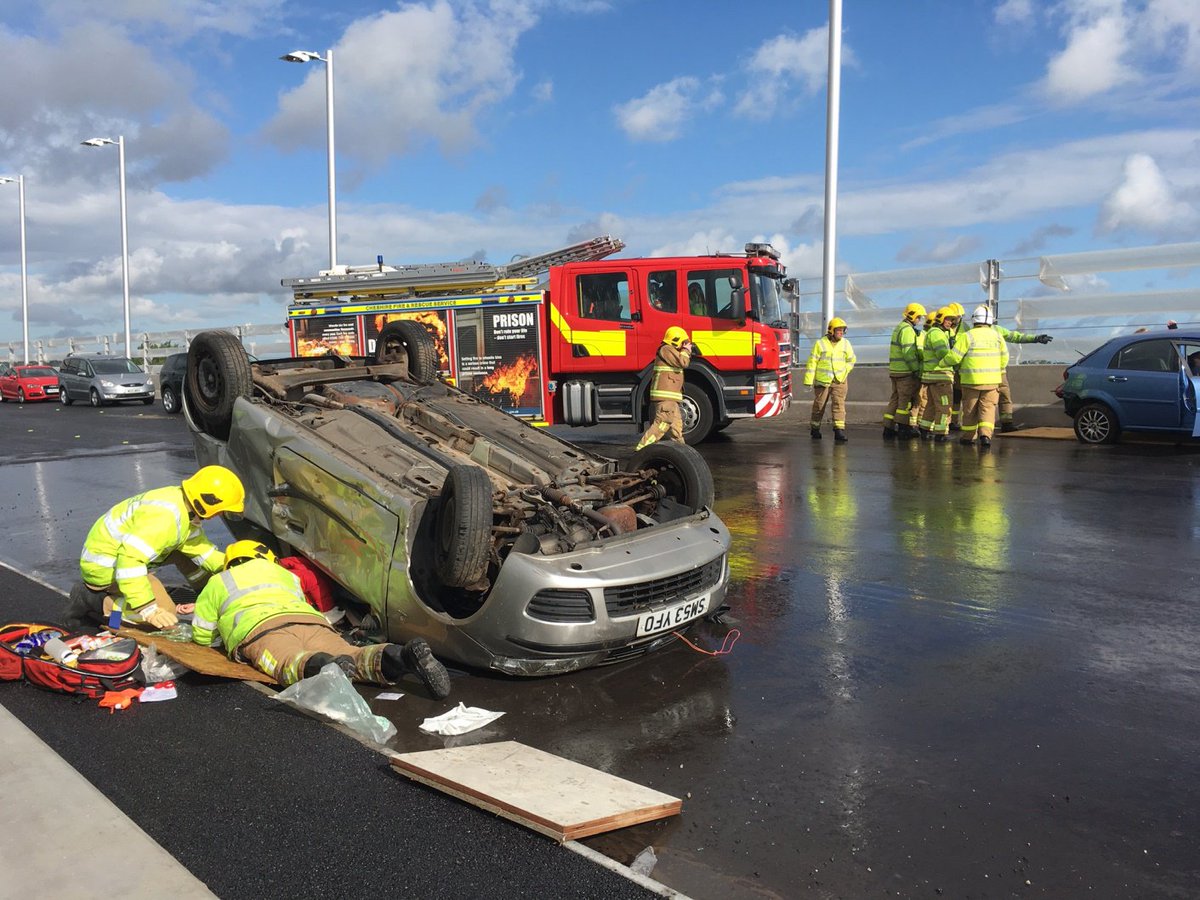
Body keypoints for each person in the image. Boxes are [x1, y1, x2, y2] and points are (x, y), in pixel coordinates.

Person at [192, 540, 452, 698]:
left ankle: (327, 667)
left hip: (262, 630)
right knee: (353, 654)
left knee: (289, 661)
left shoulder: (219, 580)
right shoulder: (285, 575)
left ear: (229, 563)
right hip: (311, 621)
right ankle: (399, 656)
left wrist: (219, 638)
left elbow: (202, 633)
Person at [62, 465, 244, 630]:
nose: (221, 515)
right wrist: (148, 609)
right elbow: (130, 562)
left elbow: (203, 552)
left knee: (188, 557)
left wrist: (243, 564)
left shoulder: (184, 508)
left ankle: (205, 596)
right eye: (222, 509)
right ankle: (101, 603)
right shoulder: (164, 520)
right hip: (106, 569)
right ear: (208, 501)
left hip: (122, 557)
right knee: (167, 615)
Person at [940, 305, 1008, 449]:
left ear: (974, 320)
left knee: (970, 410)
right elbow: (1004, 358)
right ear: (990, 321)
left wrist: (942, 363)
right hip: (992, 381)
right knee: (988, 409)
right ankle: (985, 436)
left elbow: (954, 357)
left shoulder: (968, 336)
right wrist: (998, 371)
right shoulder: (997, 336)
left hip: (971, 381)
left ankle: (968, 437)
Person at [635, 326, 694, 450]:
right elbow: (683, 362)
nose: (685, 345)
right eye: (683, 342)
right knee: (661, 426)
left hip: (672, 401)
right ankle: (641, 451)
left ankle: (683, 454)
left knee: (676, 431)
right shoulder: (666, 349)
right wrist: (686, 350)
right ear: (675, 340)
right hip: (665, 400)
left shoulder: (671, 351)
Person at [804, 317, 856, 442]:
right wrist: (808, 380)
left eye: (843, 330)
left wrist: (845, 371)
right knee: (819, 405)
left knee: (839, 405)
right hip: (823, 381)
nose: (841, 333)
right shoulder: (820, 344)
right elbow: (812, 363)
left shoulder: (845, 343)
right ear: (831, 331)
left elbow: (851, 360)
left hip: (840, 380)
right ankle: (815, 428)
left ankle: (839, 431)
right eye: (839, 330)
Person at [993, 323, 1053, 432]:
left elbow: (1017, 336)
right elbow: (1017, 337)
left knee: (997, 399)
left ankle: (1003, 424)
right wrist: (1036, 338)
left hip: (987, 373)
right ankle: (1003, 425)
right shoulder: (995, 330)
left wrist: (1036, 338)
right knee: (1001, 399)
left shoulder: (971, 333)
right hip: (996, 372)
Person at [882, 303, 925, 440]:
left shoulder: (899, 328)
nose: (919, 319)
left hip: (895, 371)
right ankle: (902, 428)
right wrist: (916, 369)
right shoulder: (907, 330)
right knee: (904, 401)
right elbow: (908, 353)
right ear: (912, 315)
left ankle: (888, 428)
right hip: (905, 372)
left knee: (895, 399)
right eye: (918, 316)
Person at [918, 307, 958, 442]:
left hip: (933, 376)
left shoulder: (936, 332)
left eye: (952, 320)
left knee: (931, 405)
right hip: (940, 376)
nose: (950, 322)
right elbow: (943, 354)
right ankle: (941, 433)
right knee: (944, 405)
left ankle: (924, 429)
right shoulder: (937, 334)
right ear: (941, 319)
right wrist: (957, 358)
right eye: (948, 319)